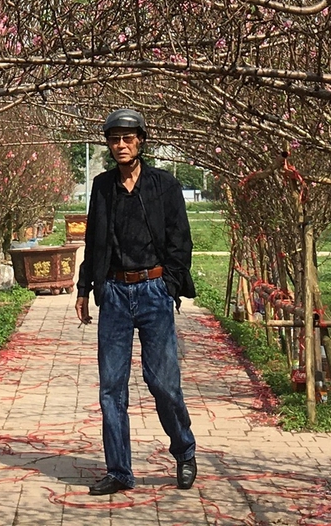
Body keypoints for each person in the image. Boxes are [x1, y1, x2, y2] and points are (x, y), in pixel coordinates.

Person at [76, 107, 198, 494]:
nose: (121, 145)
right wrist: (83, 289)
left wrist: (170, 286)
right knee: (111, 387)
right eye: (114, 139)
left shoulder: (164, 185)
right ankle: (118, 471)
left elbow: (181, 241)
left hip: (153, 291)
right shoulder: (102, 186)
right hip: (113, 292)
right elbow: (93, 241)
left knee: (162, 382)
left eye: (128, 139)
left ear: (141, 141)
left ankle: (184, 451)